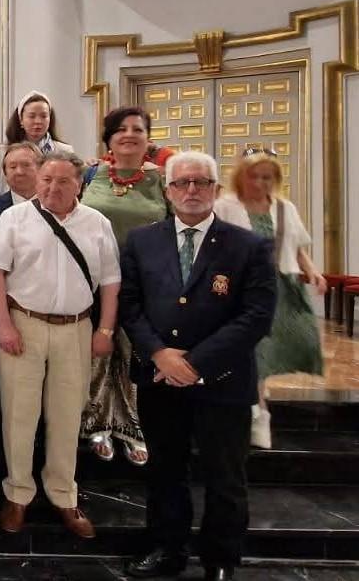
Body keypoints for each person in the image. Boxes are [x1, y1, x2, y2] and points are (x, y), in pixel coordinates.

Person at [122, 151, 276, 581]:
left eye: (201, 183)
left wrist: (194, 362)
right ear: (168, 191)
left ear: (216, 190)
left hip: (223, 381)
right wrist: (159, 354)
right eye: (182, 183)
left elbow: (257, 315)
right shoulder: (141, 241)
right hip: (159, 378)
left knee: (225, 477)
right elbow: (131, 306)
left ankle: (220, 560)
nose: (192, 190)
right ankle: (167, 550)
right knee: (165, 471)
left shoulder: (248, 246)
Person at [0, 151, 120, 539]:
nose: (52, 188)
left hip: (76, 328)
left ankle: (63, 494)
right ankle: (18, 493)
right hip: (23, 325)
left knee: (66, 413)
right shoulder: (15, 218)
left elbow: (111, 281)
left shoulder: (97, 223)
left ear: (80, 184)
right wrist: (4, 325)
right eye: (46, 180)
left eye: (62, 181)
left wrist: (105, 330)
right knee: (18, 414)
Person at [215, 148, 326, 450]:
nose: (260, 183)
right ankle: (258, 412)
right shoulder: (226, 206)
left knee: (286, 344)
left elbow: (298, 246)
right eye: (254, 176)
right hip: (245, 289)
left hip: (283, 286)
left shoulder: (284, 208)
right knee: (256, 350)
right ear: (242, 176)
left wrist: (313, 272)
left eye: (267, 177)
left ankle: (255, 404)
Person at [80, 106, 166, 467]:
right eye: (121, 129)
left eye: (137, 129)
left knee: (135, 353)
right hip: (95, 279)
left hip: (143, 281)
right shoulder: (91, 174)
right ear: (109, 138)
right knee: (99, 351)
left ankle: (132, 427)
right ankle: (96, 421)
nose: (129, 134)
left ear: (148, 138)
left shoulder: (164, 178)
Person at [0, 91, 75, 189]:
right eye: (32, 116)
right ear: (21, 120)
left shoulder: (65, 151)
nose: (38, 121)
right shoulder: (4, 150)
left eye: (43, 116)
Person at [0, 142, 41, 211]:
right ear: (5, 173)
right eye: (13, 167)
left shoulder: (56, 205)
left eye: (26, 165)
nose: (19, 172)